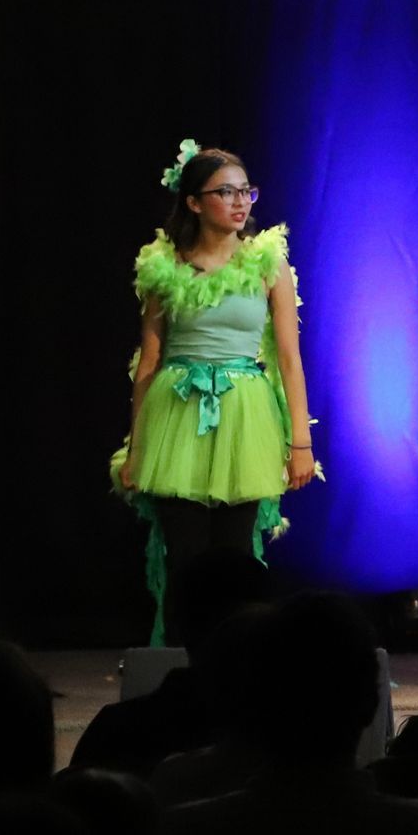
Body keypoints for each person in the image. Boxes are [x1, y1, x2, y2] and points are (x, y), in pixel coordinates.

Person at [112, 140, 315, 644]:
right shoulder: (165, 267)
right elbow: (149, 362)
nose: (240, 201)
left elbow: (290, 359)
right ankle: (185, 660)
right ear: (194, 202)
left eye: (246, 191)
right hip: (178, 411)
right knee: (184, 557)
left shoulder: (268, 264)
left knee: (235, 558)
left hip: (244, 412)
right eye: (226, 192)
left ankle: (237, 659)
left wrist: (300, 443)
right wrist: (136, 448)